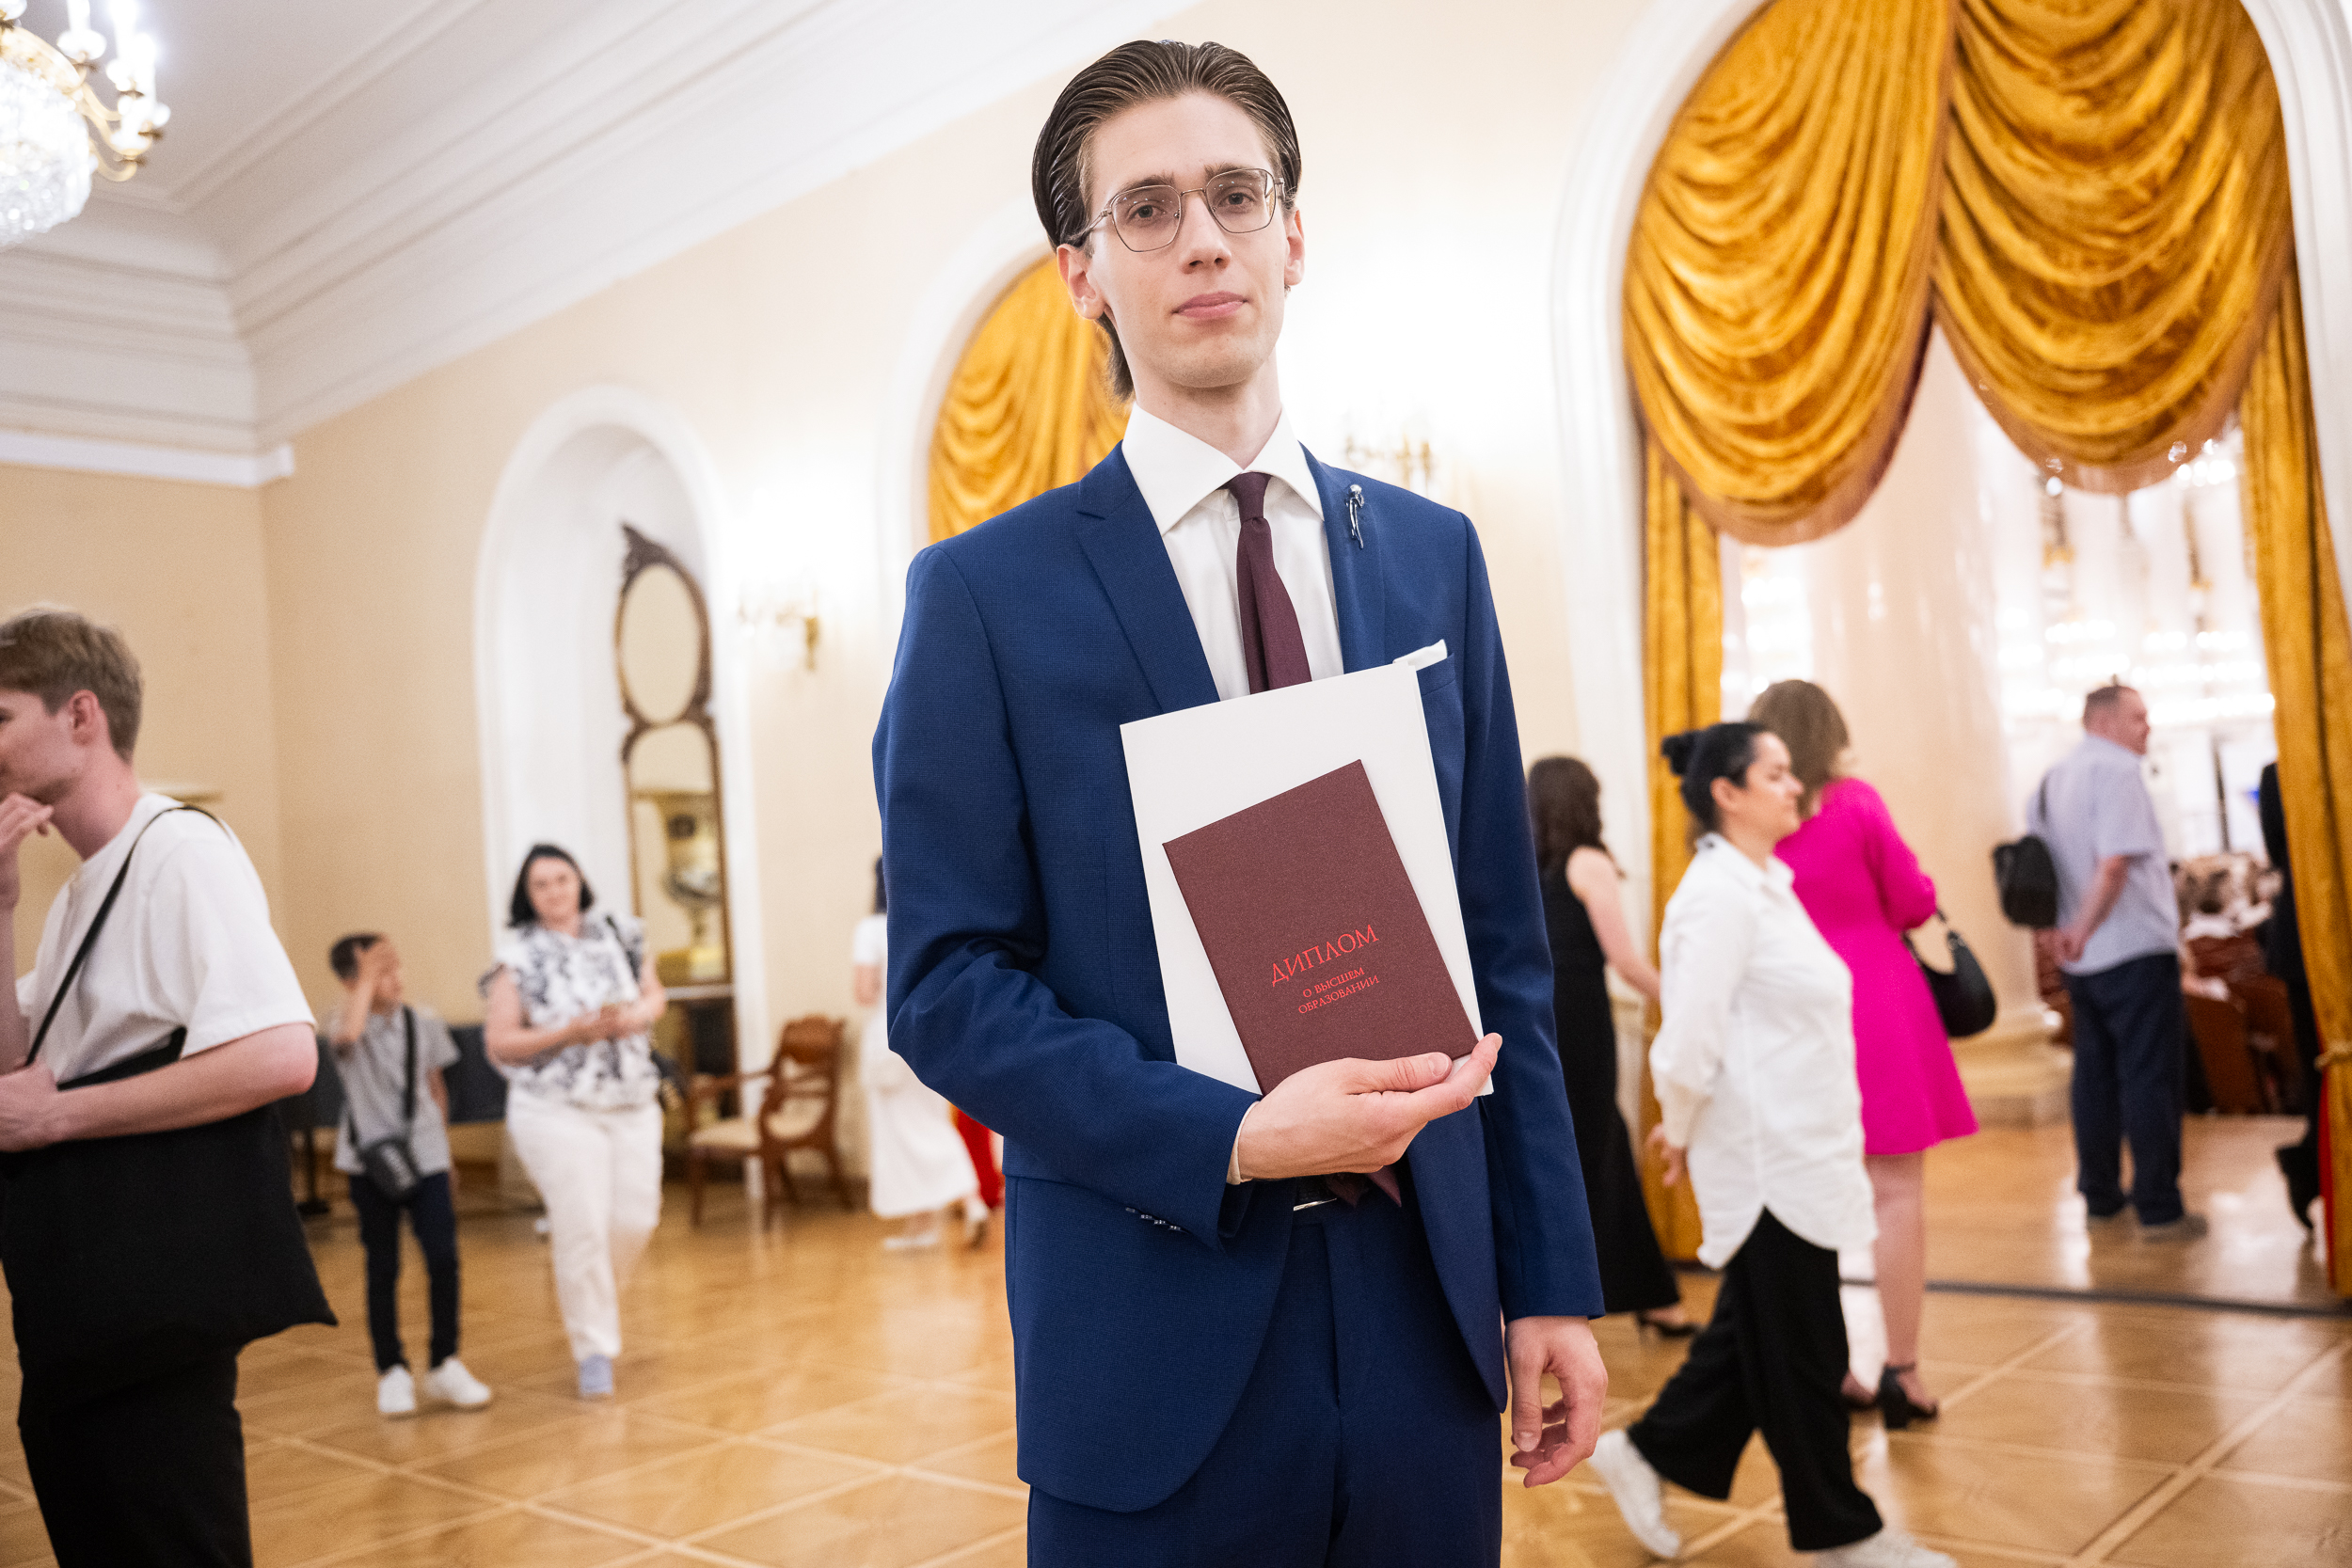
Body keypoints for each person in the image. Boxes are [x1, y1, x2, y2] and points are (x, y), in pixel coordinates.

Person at [875, 40, 1606, 1566]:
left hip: (1424, 1321)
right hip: (1152, 1336)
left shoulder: (1432, 556)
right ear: (1081, 274)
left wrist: (1548, 1272)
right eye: (1146, 209)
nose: (1202, 237)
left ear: (1293, 235)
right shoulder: (984, 596)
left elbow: (1504, 948)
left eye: (1235, 194)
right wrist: (1232, 1135)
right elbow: (948, 985)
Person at [0, 605, 331, 1567]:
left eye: (0, 718)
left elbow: (282, 1052)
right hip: (87, 1298)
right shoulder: (79, 889)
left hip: (149, 1293)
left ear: (81, 716)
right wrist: (2, 903)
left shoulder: (180, 850)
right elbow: (12, 1072)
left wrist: (58, 1115)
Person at [1589, 723, 1952, 1568]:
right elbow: (1688, 1038)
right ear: (1728, 792)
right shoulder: (1715, 897)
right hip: (1766, 1164)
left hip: (1803, 1151)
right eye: (1778, 773)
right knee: (1806, 1350)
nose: (1797, 787)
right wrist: (1680, 1129)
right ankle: (1842, 1533)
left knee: (1757, 1338)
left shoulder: (1765, 884)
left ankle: (1643, 1451)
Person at [1748, 679, 1976, 1427]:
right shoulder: (1855, 803)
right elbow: (1912, 901)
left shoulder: (1752, 816)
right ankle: (1901, 1370)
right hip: (1877, 1006)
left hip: (1793, 1014)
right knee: (1896, 1192)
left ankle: (1833, 1365)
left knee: (1810, 1195)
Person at [480, 844, 667, 1399]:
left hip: (631, 1100)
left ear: (579, 880)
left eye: (562, 879)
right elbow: (501, 1041)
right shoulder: (518, 955)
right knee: (581, 1223)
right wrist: (569, 1033)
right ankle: (594, 1349)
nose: (554, 892)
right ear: (527, 895)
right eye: (541, 884)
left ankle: (594, 1305)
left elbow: (653, 993)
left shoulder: (621, 934)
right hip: (556, 1108)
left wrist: (636, 1014)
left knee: (636, 1219)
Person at [2026, 685, 2202, 1239]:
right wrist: (2083, 928)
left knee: (2095, 1075)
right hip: (2130, 946)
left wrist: (2055, 933)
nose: (2148, 727)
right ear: (2103, 721)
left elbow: (2037, 870)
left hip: (2081, 961)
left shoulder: (2051, 780)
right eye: (2138, 717)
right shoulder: (2118, 771)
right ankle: (2159, 1205)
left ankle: (2100, 1195)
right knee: (2150, 1075)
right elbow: (2114, 864)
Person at [1525, 756, 1691, 1333]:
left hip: (1540, 1019)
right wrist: (1687, 1000)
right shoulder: (1588, 862)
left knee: (1576, 1149)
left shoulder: (1529, 867)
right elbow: (1625, 961)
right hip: (1580, 1019)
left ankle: (1623, 1293)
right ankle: (1642, 1296)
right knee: (1599, 1146)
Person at [324, 933, 492, 1418]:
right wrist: (366, 981)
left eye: (395, 966)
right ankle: (391, 1369)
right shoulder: (343, 1022)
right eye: (380, 970)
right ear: (350, 981)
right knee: (383, 1265)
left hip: (426, 1154)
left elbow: (435, 1088)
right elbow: (347, 1038)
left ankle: (445, 1361)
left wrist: (446, 1154)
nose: (394, 978)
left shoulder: (423, 1023)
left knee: (443, 1257)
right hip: (369, 1160)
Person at [850, 859, 986, 1249]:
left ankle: (970, 1200)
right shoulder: (923, 924)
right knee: (928, 1123)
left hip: (886, 1039)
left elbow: (864, 993)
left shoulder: (870, 930)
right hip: (926, 1036)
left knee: (903, 1134)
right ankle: (922, 1226)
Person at [2259, 762, 2324, 1227]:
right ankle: (2311, 1165)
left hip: (2303, 933)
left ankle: (2308, 1164)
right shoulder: (2281, 773)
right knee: (2323, 1067)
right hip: (2309, 935)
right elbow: (2286, 855)